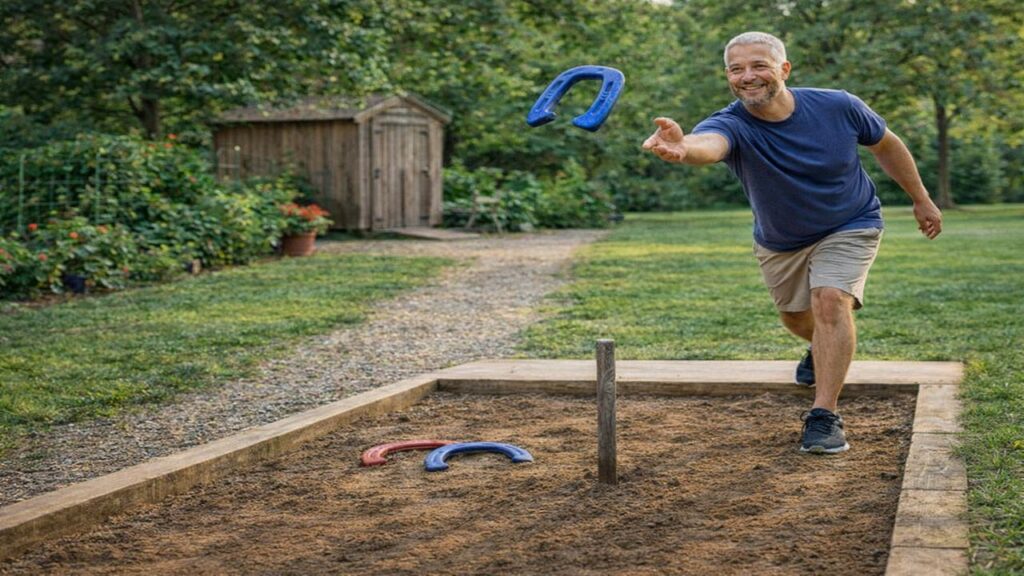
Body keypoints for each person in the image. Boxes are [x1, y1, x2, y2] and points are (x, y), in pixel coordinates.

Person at [642, 31, 942, 454]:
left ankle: (824, 417)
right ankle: (820, 351)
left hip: (851, 221)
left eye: (758, 65)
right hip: (781, 240)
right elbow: (707, 145)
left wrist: (922, 199)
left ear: (783, 69)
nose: (748, 76)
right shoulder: (731, 123)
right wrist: (681, 147)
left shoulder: (839, 105)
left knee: (829, 301)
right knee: (797, 319)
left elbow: (887, 145)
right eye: (736, 69)